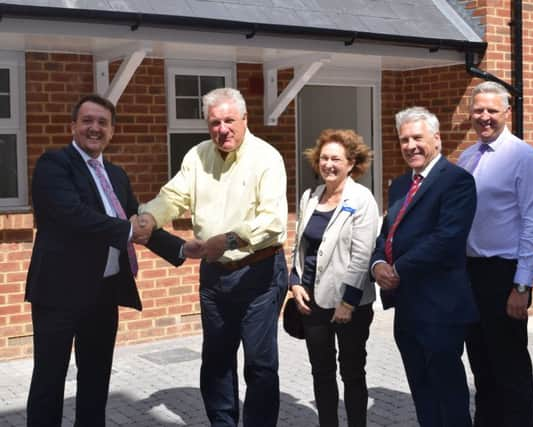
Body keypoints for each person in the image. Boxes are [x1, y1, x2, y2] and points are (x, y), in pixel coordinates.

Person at [25, 94, 186, 427]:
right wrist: (129, 230)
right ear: (73, 126)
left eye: (102, 122)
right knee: (49, 381)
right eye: (87, 121)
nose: (94, 128)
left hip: (102, 293)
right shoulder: (54, 165)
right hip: (59, 294)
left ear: (112, 131)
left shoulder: (116, 175)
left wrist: (183, 250)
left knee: (96, 380)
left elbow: (135, 219)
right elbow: (74, 216)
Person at [138, 87, 288, 427]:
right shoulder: (197, 156)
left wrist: (231, 238)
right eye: (215, 122)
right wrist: (150, 216)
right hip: (214, 275)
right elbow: (173, 196)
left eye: (230, 120)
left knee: (259, 364)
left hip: (259, 273)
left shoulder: (267, 158)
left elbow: (274, 221)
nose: (223, 129)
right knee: (217, 359)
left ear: (245, 119)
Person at [371, 107, 478, 427]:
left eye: (417, 138)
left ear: (437, 138)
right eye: (404, 140)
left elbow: (447, 239)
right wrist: (377, 264)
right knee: (422, 390)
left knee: (449, 393)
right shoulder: (401, 184)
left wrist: (398, 269)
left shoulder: (457, 181)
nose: (410, 146)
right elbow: (387, 232)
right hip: (407, 307)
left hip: (440, 307)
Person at [458, 81, 533, 427]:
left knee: (510, 371)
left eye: (492, 111)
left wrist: (522, 286)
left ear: (507, 113)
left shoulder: (523, 157)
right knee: (481, 369)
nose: (484, 117)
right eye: (478, 110)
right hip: (471, 275)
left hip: (505, 276)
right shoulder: (467, 157)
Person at [289, 129, 380, 427]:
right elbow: (299, 245)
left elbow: (362, 254)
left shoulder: (362, 199)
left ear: (351, 163)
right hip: (312, 301)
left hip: (349, 305)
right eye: (324, 158)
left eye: (336, 159)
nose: (328, 164)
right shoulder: (310, 197)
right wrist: (295, 282)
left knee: (352, 373)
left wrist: (348, 301)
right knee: (321, 371)